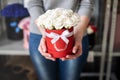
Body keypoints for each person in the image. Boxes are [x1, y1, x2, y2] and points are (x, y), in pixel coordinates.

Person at [26, 0, 94, 80]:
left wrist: (77, 35)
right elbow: (33, 3)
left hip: (75, 32)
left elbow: (87, 3)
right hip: (40, 33)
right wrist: (47, 33)